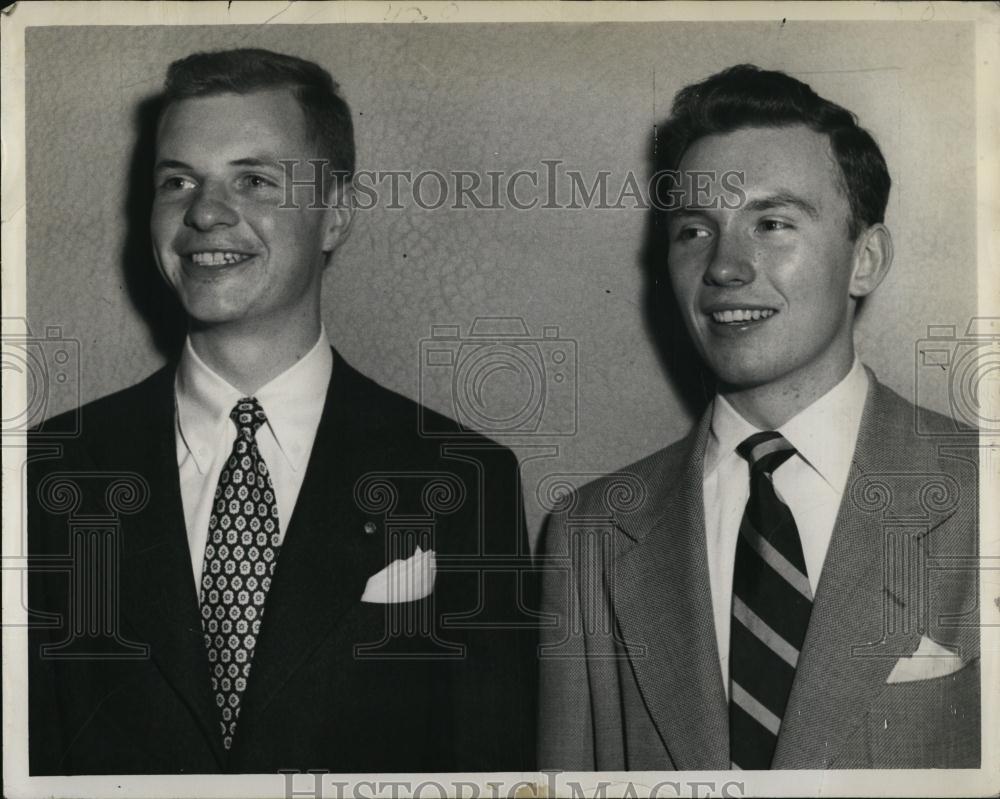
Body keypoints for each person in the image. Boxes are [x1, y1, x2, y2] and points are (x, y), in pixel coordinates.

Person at [28, 48, 535, 775]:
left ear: (335, 215)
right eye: (178, 181)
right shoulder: (49, 471)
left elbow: (492, 768)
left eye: (254, 180)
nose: (203, 212)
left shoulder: (464, 478)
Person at [538, 64, 979, 770]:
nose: (725, 266)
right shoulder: (589, 533)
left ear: (865, 259)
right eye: (693, 230)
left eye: (771, 223)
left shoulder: (983, 494)